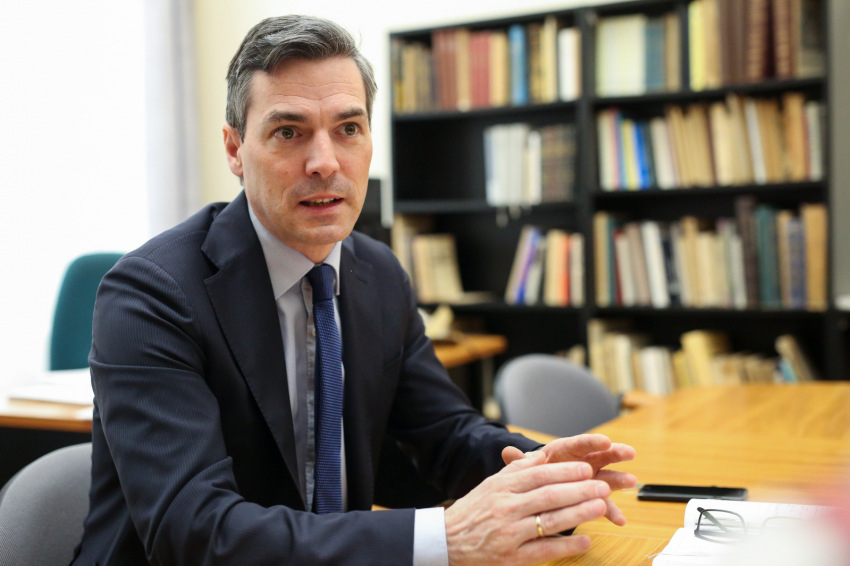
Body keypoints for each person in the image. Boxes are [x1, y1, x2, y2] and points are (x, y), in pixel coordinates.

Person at [71, 14, 637, 566]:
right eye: (288, 132)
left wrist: (546, 474)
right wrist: (447, 538)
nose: (325, 163)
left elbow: (444, 434)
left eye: (348, 129)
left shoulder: (377, 274)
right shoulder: (151, 295)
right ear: (234, 149)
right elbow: (193, 532)